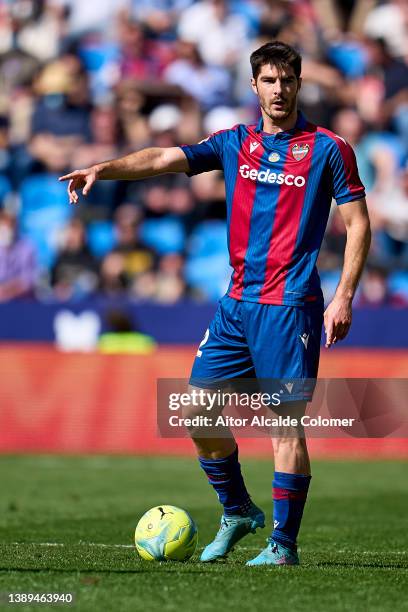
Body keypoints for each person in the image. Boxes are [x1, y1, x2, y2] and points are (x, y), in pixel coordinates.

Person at [59, 41, 371, 566]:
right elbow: (163, 157)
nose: (279, 90)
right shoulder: (234, 143)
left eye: (287, 80)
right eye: (269, 81)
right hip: (236, 303)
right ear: (254, 87)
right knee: (197, 411)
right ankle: (238, 511)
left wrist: (343, 296)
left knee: (283, 425)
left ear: (299, 84)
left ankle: (282, 545)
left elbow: (358, 223)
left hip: (290, 305)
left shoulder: (328, 149)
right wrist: (103, 168)